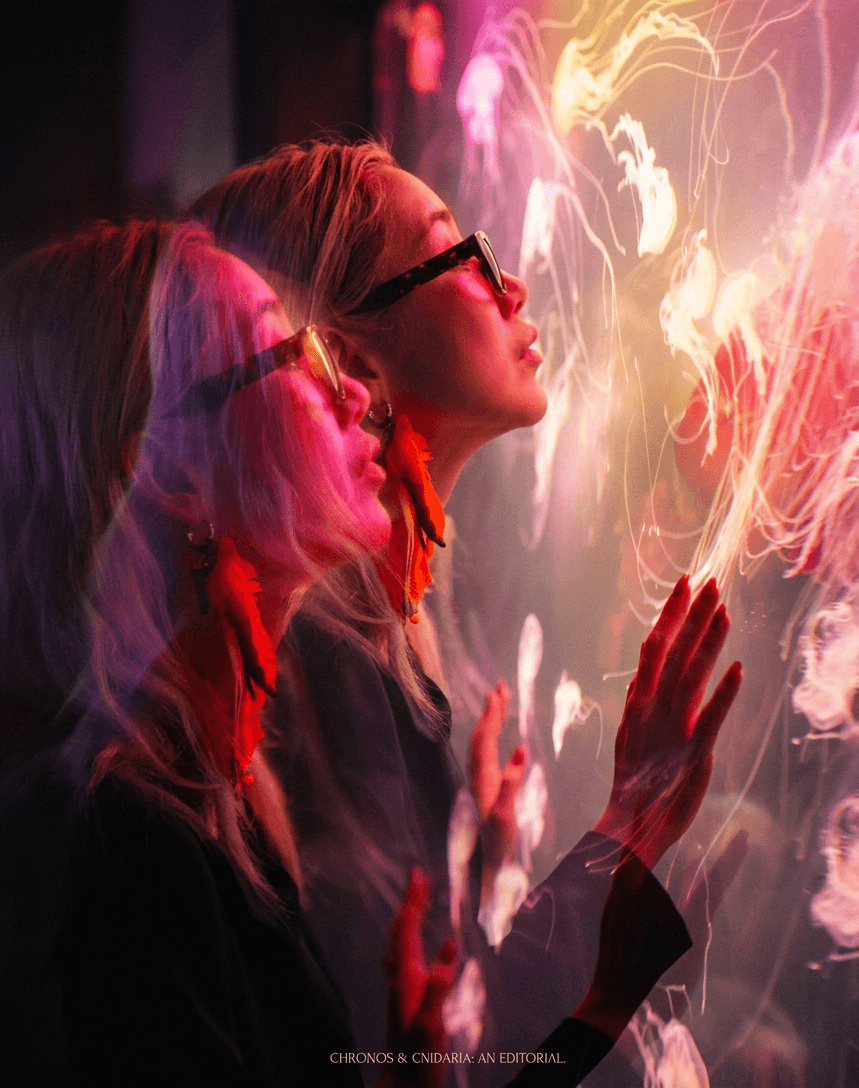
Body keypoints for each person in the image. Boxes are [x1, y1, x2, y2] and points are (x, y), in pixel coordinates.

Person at [193, 140, 743, 1078]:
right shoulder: (319, 666)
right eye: (464, 252)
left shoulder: (387, 639)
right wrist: (625, 830)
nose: (512, 285)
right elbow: (433, 1059)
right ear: (352, 355)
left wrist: (485, 876)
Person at [0, 220, 458, 1086]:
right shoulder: (137, 860)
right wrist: (600, 997)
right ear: (173, 477)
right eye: (293, 356)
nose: (354, 392)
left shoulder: (208, 801)